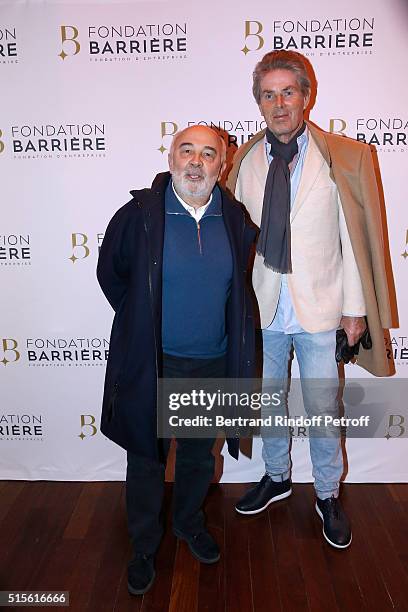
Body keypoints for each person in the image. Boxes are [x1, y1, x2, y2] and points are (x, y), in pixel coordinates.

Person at [227, 50, 393, 549]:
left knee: (323, 408)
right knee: (269, 404)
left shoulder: (337, 158)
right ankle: (277, 477)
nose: (279, 104)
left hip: (321, 309)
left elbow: (353, 240)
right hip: (263, 307)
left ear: (306, 96)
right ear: (258, 102)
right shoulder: (242, 162)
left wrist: (356, 308)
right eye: (268, 94)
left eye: (288, 92)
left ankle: (327, 494)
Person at [97, 125, 256, 595]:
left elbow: (238, 288)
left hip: (210, 362)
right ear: (170, 156)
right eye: (187, 150)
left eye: (209, 154)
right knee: (147, 460)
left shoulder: (234, 216)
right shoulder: (139, 215)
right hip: (154, 361)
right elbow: (113, 277)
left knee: (195, 458)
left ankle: (188, 523)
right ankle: (144, 546)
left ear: (221, 166)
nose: (196, 162)